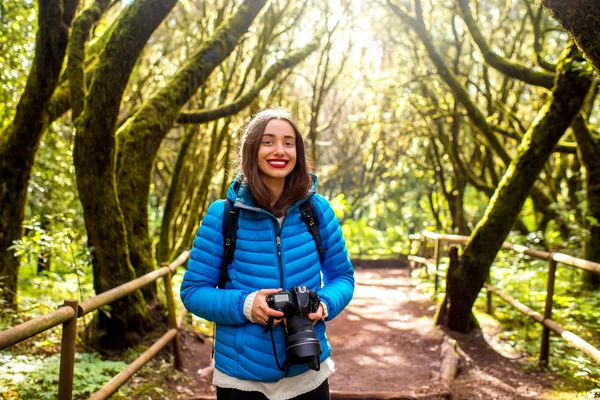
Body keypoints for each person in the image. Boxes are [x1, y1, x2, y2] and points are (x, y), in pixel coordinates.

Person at [180, 108, 355, 400]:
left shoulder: (317, 210)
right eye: (268, 141)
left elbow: (343, 277)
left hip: (308, 371)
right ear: (252, 150)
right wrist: (247, 305)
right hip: (241, 379)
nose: (280, 150)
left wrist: (323, 305)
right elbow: (193, 292)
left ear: (297, 152)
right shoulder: (223, 215)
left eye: (289, 143)